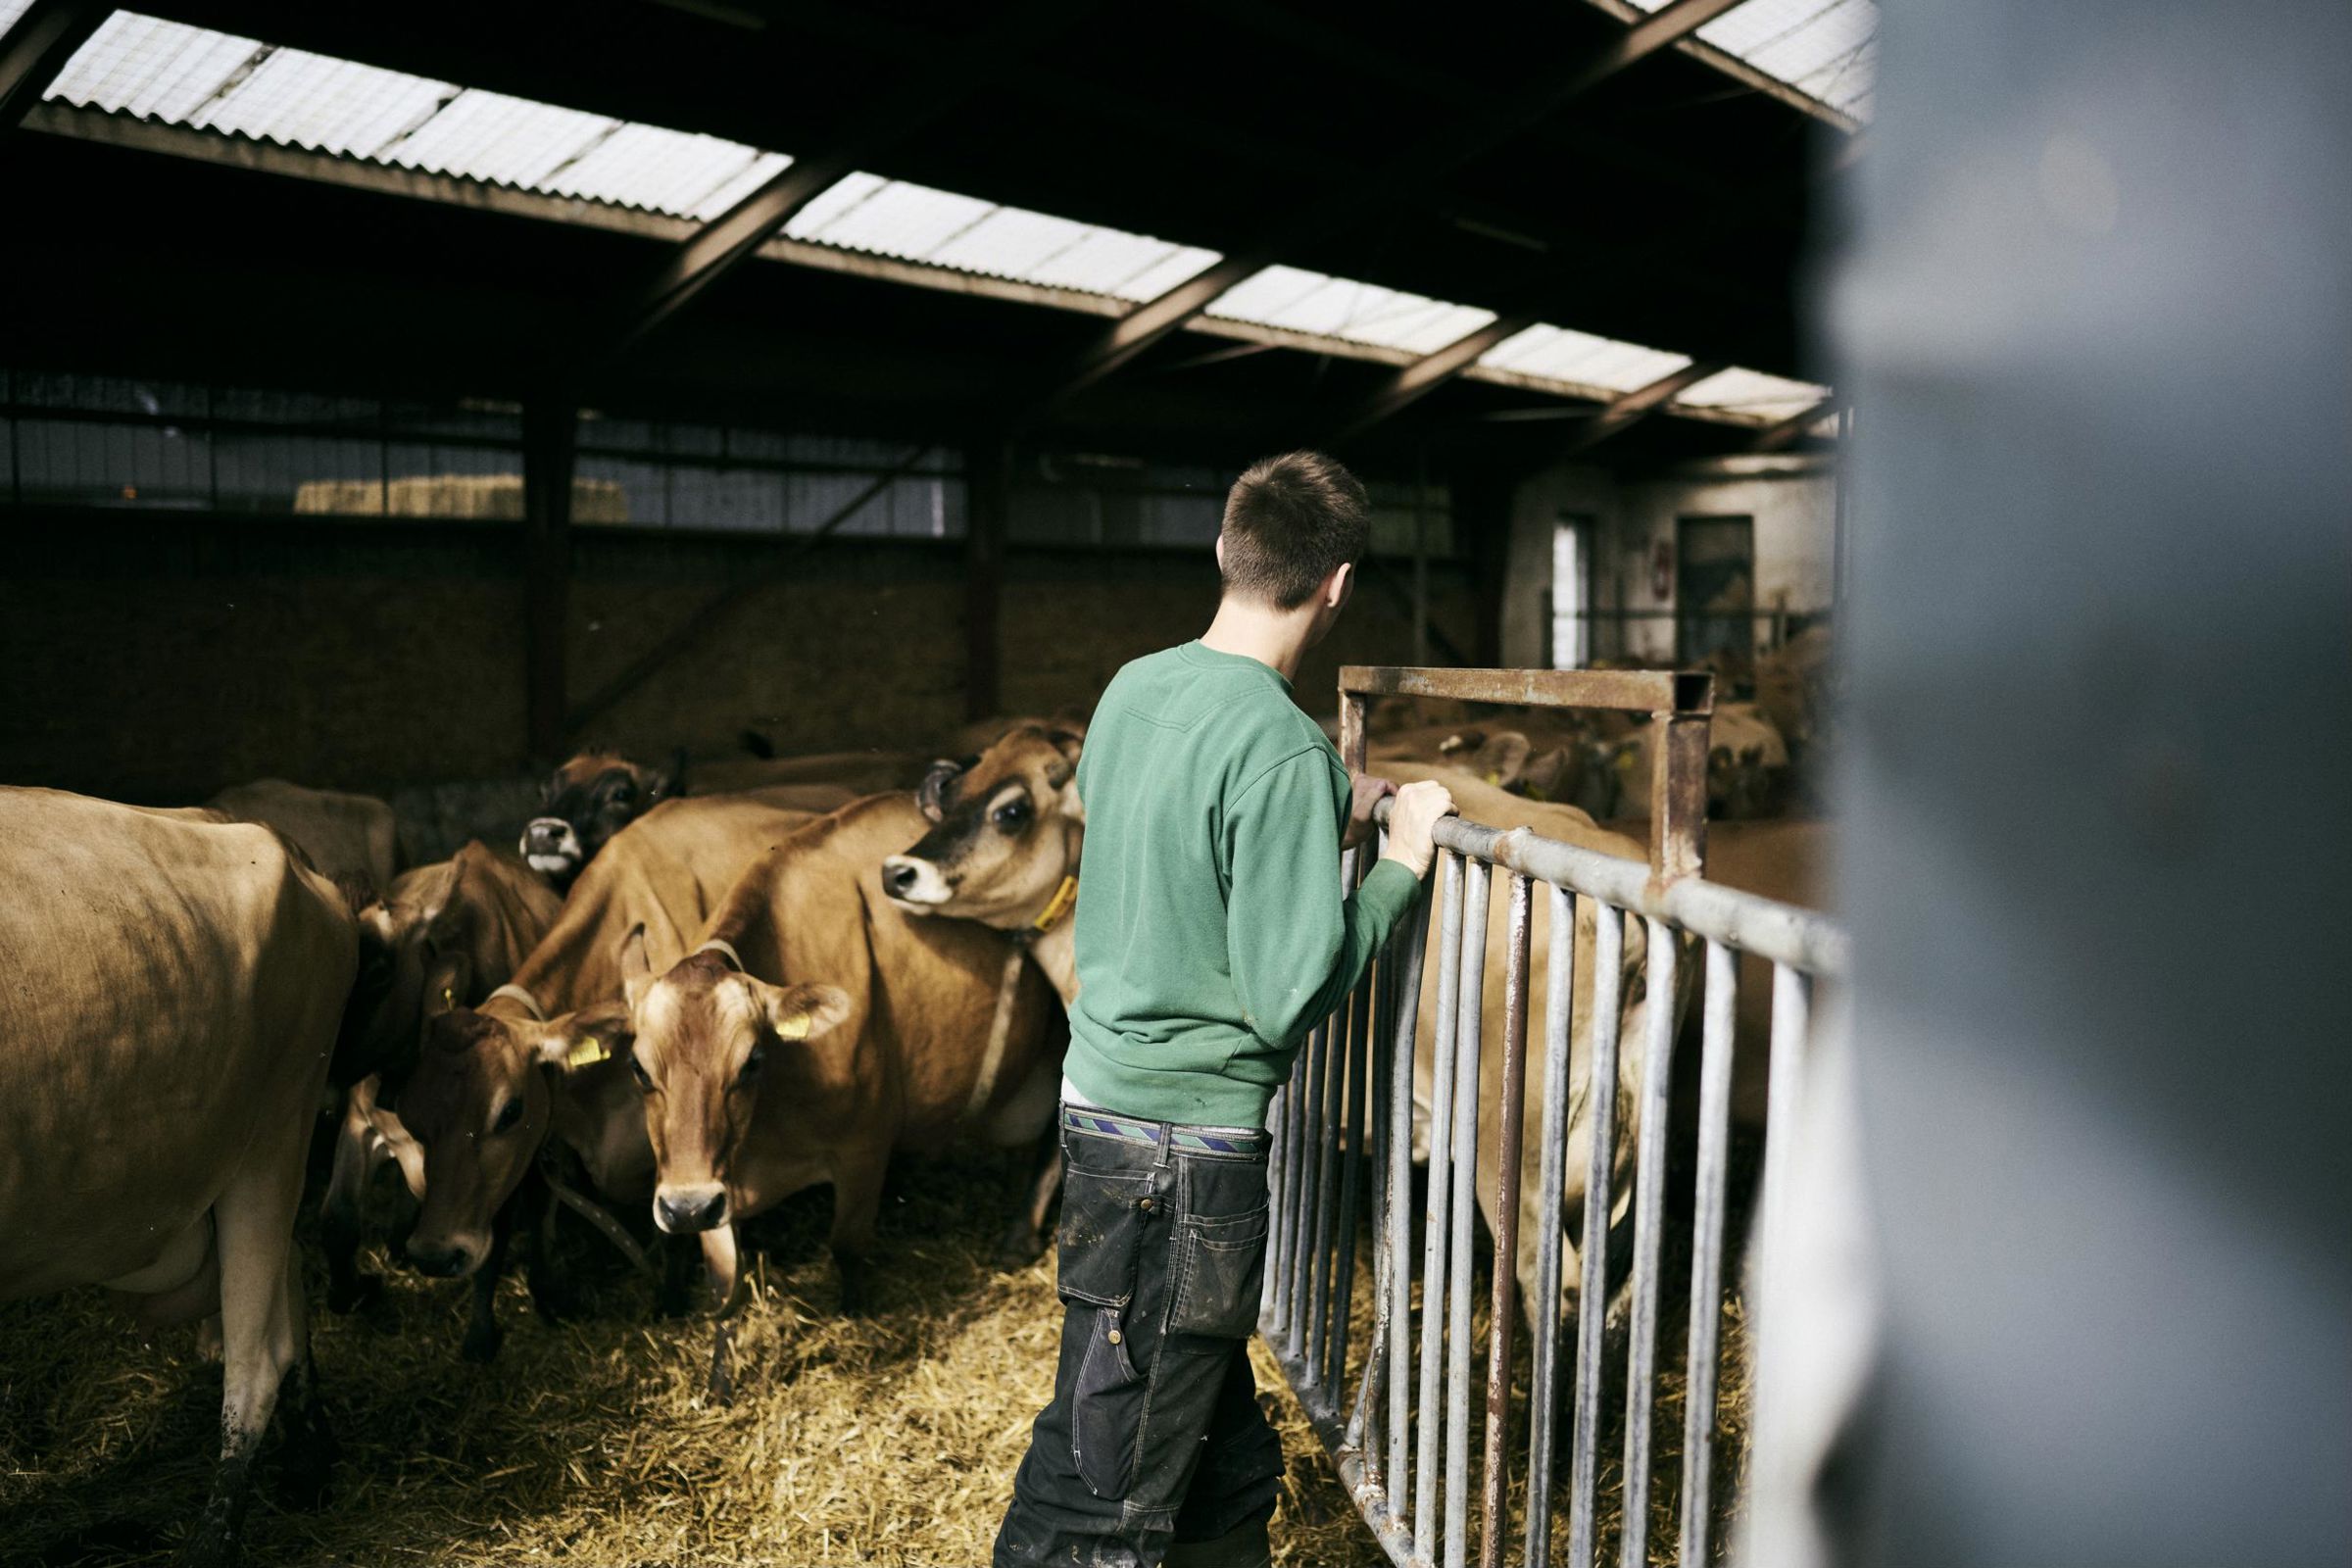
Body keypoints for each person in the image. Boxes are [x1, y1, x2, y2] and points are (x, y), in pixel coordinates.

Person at [994, 451, 1455, 1568]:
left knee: (1214, 1457)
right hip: (1183, 1155)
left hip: (1101, 1109)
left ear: (1224, 549)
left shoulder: (1132, 688)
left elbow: (1176, 817)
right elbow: (1288, 993)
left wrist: (1326, 806)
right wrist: (1398, 865)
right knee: (1101, 1483)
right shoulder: (1283, 745)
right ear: (1338, 584)